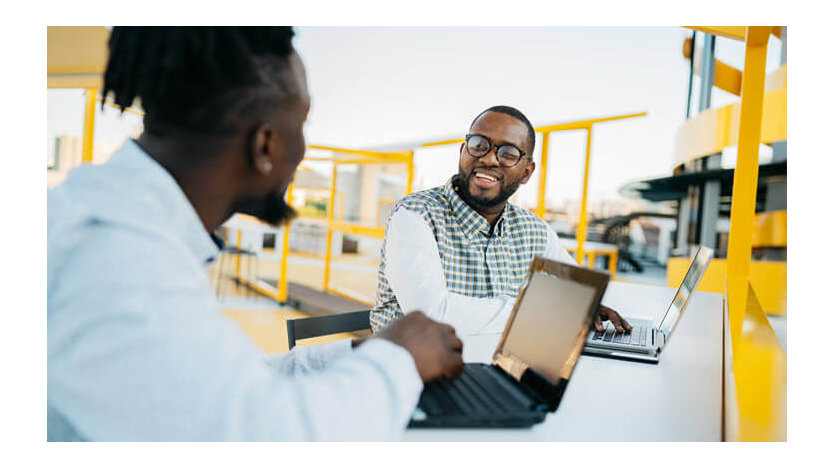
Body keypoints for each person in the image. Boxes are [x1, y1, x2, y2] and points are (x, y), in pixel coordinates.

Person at [47, 27, 463, 441]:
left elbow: (211, 390)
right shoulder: (120, 263)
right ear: (266, 144)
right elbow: (268, 437)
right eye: (303, 122)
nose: (304, 147)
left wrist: (362, 355)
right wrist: (400, 359)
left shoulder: (117, 225)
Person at [370, 105, 631, 337]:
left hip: (497, 371)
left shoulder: (534, 230)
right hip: (413, 375)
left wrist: (587, 307)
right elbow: (431, 314)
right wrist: (537, 309)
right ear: (463, 151)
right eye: (479, 144)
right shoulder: (415, 215)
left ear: (527, 171)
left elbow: (577, 290)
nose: (488, 158)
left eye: (508, 153)